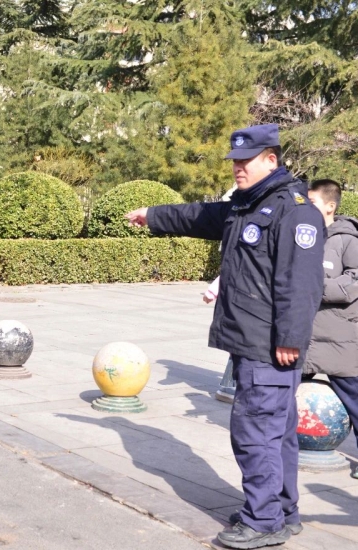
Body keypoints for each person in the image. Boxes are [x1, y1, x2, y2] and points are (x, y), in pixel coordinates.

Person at [125, 123, 325, 549]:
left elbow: (301, 283)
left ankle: (263, 521)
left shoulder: (295, 212)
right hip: (253, 340)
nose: (237, 168)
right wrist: (151, 215)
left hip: (270, 346)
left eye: (245, 161)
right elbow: (198, 215)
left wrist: (290, 338)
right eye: (234, 161)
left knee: (255, 433)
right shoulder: (247, 205)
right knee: (276, 433)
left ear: (271, 159)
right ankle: (280, 510)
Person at [305, 179, 358, 481]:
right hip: (302, 333)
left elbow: (357, 279)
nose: (306, 207)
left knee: (355, 396)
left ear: (330, 206)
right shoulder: (303, 235)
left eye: (311, 202)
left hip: (337, 334)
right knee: (280, 390)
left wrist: (316, 288)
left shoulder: (348, 241)